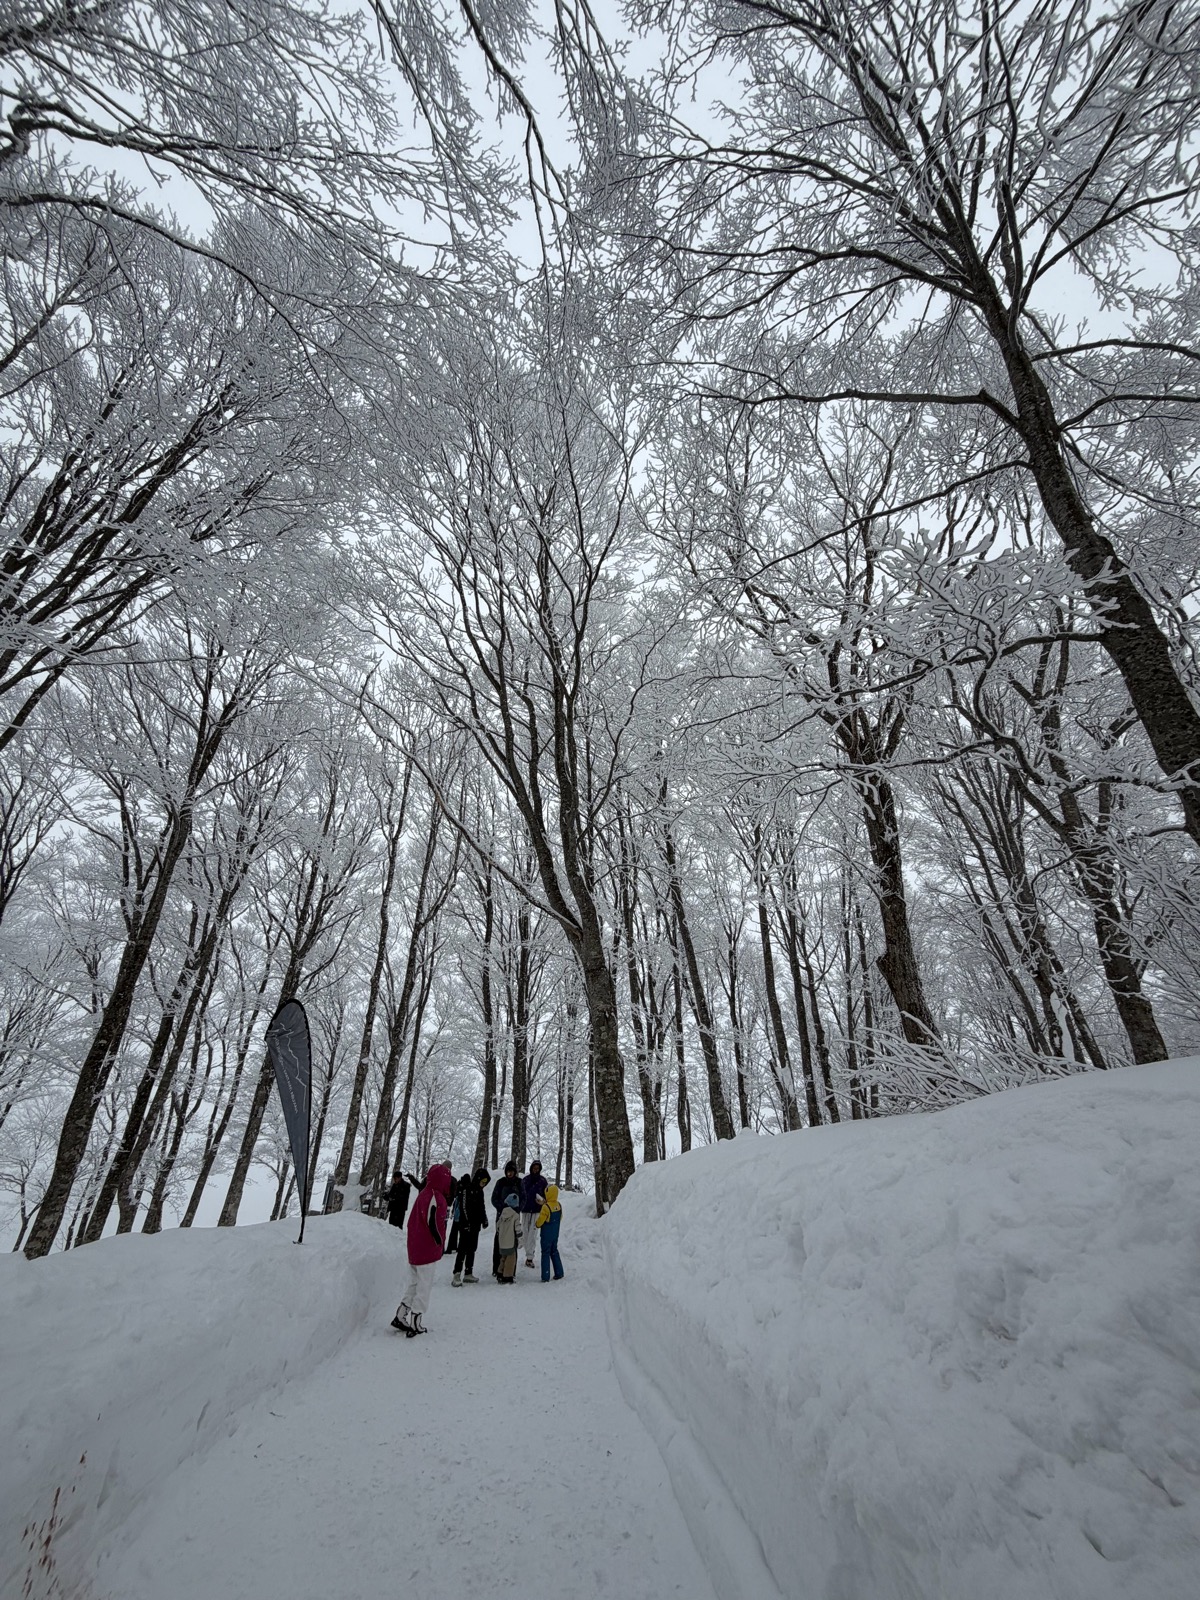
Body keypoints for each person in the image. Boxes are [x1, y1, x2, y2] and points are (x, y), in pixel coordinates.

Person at [391, 1163, 453, 1337]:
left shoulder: (423, 1194)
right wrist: (440, 1243)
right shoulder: (436, 1197)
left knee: (414, 1283)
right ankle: (416, 1321)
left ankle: (401, 1315)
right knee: (424, 1285)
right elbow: (433, 1223)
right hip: (427, 1249)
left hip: (415, 1248)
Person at [451, 1168, 490, 1285]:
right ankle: (457, 1274)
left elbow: (481, 1207)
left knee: (472, 1249)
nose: (483, 1185)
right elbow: (463, 1207)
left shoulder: (480, 1192)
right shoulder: (467, 1189)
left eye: (485, 1183)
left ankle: (468, 1272)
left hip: (475, 1226)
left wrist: (484, 1219)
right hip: (465, 1225)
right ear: (478, 1179)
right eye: (482, 1182)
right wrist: (467, 1222)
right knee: (462, 1249)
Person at [490, 1160, 521, 1278]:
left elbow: (523, 1198)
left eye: (512, 1171)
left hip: (514, 1217)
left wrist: (517, 1210)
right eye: (508, 1171)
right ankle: (497, 1268)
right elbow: (494, 1199)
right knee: (499, 1241)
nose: (510, 1173)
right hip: (502, 1217)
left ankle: (510, 1270)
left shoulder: (519, 1183)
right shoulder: (500, 1183)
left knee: (513, 1243)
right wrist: (502, 1207)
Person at [519, 1159, 548, 1269]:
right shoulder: (525, 1180)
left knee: (533, 1234)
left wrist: (543, 1202)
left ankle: (530, 1257)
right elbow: (521, 1194)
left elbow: (547, 1197)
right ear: (531, 1168)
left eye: (537, 1168)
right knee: (525, 1233)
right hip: (525, 1210)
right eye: (534, 1168)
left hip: (537, 1211)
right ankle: (527, 1251)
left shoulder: (543, 1181)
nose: (535, 1170)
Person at [535, 1183, 564, 1282]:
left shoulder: (545, 1207)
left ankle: (545, 1276)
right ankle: (559, 1272)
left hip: (546, 1235)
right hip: (555, 1234)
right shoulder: (558, 1205)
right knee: (554, 1251)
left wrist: (537, 1224)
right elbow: (560, 1218)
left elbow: (540, 1221)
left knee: (545, 1254)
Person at [495, 1193, 521, 1283]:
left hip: (502, 1242)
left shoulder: (502, 1214)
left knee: (503, 1258)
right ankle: (507, 1276)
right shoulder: (515, 1215)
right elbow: (518, 1229)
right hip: (510, 1242)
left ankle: (500, 1273)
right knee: (510, 1260)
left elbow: (497, 1225)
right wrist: (520, 1239)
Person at [446, 1172, 471, 1257]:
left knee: (454, 1231)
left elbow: (456, 1199)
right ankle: (460, 1247)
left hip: (458, 1213)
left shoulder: (459, 1186)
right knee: (462, 1232)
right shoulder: (466, 1188)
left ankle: (451, 1247)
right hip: (461, 1214)